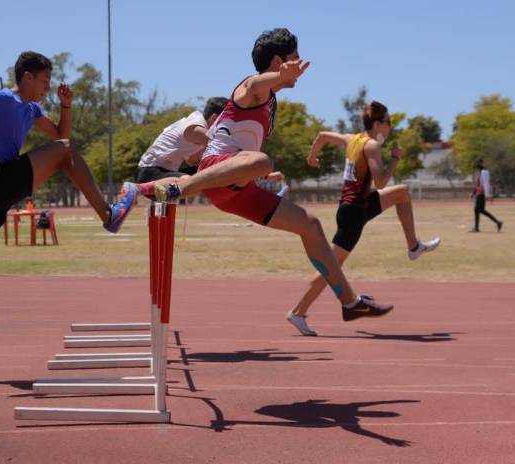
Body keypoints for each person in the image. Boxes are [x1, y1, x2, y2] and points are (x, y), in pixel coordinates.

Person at [137, 28, 393, 323]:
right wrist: (280, 76)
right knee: (261, 160)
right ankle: (181, 188)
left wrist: (262, 174)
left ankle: (349, 302)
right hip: (212, 171)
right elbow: (258, 82)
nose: (299, 65)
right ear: (277, 61)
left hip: (236, 188)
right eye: (293, 58)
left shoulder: (271, 102)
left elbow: (246, 145)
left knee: (310, 224)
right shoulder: (251, 88)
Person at [0, 51, 137, 378]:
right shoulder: (4, 98)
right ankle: (108, 215)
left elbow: (61, 136)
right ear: (27, 77)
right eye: (44, 81)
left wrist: (65, 104)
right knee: (62, 155)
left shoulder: (31, 110)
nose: (47, 87)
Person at [285, 101, 441, 336]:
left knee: (403, 193)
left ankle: (413, 246)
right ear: (377, 124)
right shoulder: (370, 147)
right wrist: (396, 158)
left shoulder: (352, 139)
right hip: (353, 213)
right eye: (388, 122)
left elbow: (322, 135)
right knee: (331, 267)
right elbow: (380, 182)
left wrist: (312, 157)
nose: (390, 127)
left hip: (361, 204)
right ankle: (298, 312)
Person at [135, 97, 228, 183]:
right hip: (150, 172)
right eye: (227, 122)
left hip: (164, 171)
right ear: (214, 118)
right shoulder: (195, 128)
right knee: (189, 181)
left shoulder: (197, 126)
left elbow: (192, 161)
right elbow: (225, 146)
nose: (228, 127)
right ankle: (136, 189)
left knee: (207, 172)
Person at [470, 158, 503, 233]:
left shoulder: (483, 173)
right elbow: (478, 185)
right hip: (479, 193)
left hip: (481, 194)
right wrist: (473, 192)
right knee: (479, 210)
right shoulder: (479, 173)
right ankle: (497, 222)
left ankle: (497, 222)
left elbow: (485, 184)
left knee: (478, 210)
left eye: (478, 164)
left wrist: (488, 195)